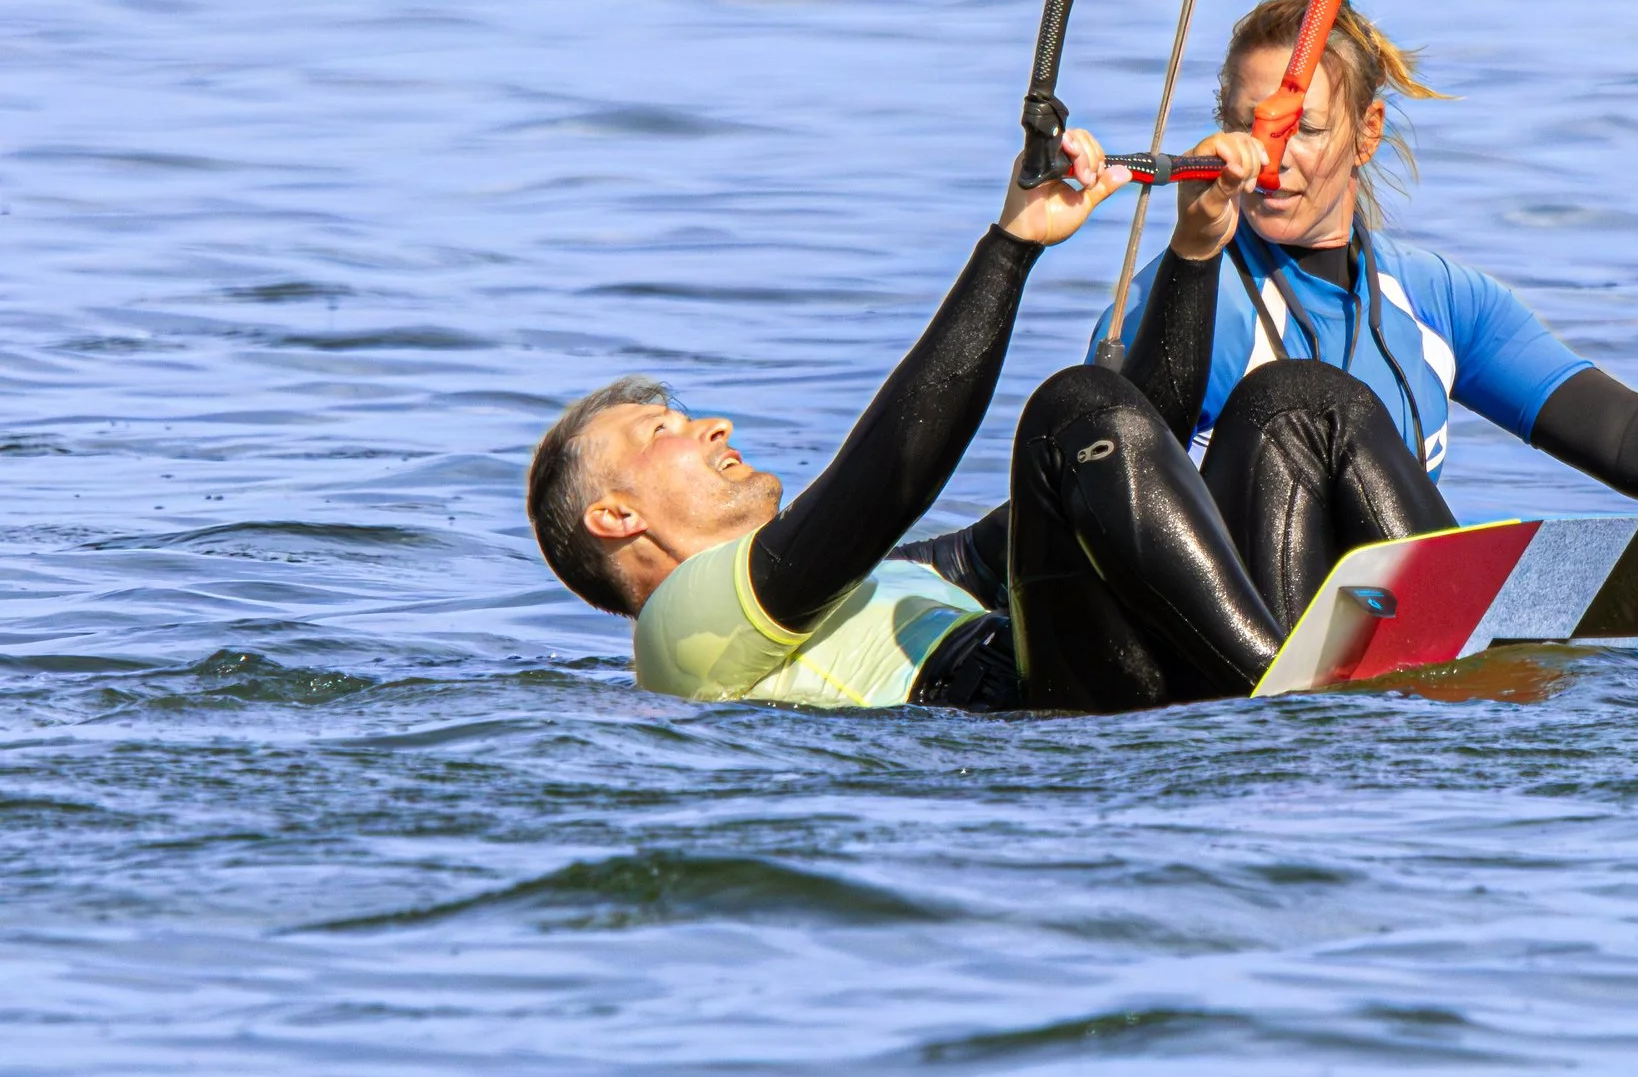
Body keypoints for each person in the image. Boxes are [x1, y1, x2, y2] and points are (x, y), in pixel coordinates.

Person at [524, 128, 1456, 719]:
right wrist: (1010, 247)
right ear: (615, 516)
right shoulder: (680, 629)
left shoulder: (887, 580)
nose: (714, 427)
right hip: (1029, 723)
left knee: (1294, 401)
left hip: (1142, 678)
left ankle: (1475, 642)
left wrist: (1196, 249)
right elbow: (889, 476)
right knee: (1064, 413)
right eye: (663, 429)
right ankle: (1293, 706)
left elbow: (1132, 449)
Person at [1092, 0, 1638, 577]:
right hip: (1225, 650)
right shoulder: (1184, 295)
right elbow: (1120, 478)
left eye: (1303, 131)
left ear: (1368, 132)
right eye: (1248, 128)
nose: (1270, 161)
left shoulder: (1437, 300)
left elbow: (1631, 434)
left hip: (1377, 674)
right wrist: (1194, 252)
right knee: (1302, 400)